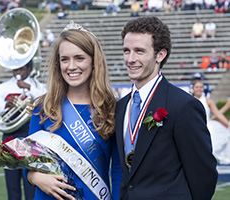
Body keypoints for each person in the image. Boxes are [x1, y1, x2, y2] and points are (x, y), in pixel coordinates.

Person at [115, 16, 218, 199]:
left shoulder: (183, 106)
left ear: (160, 55)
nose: (130, 59)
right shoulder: (121, 107)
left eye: (139, 51)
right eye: (126, 51)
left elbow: (204, 176)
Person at [24, 21, 122, 200]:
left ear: (94, 62)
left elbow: (118, 172)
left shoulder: (112, 108)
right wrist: (36, 177)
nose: (71, 66)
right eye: (64, 59)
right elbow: (29, 166)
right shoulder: (43, 107)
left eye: (79, 58)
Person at [0, 60, 46, 200]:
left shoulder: (38, 86)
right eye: (15, 70)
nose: (18, 73)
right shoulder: (4, 87)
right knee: (12, 182)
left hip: (30, 137)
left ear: (29, 69)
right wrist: (6, 105)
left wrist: (28, 87)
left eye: (21, 69)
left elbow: (46, 101)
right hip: (10, 137)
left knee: (31, 182)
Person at [192, 80, 230, 164]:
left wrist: (228, 124)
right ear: (193, 88)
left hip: (207, 126)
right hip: (193, 127)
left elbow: (218, 113)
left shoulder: (208, 101)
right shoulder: (188, 99)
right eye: (197, 87)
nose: (199, 89)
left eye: (201, 87)